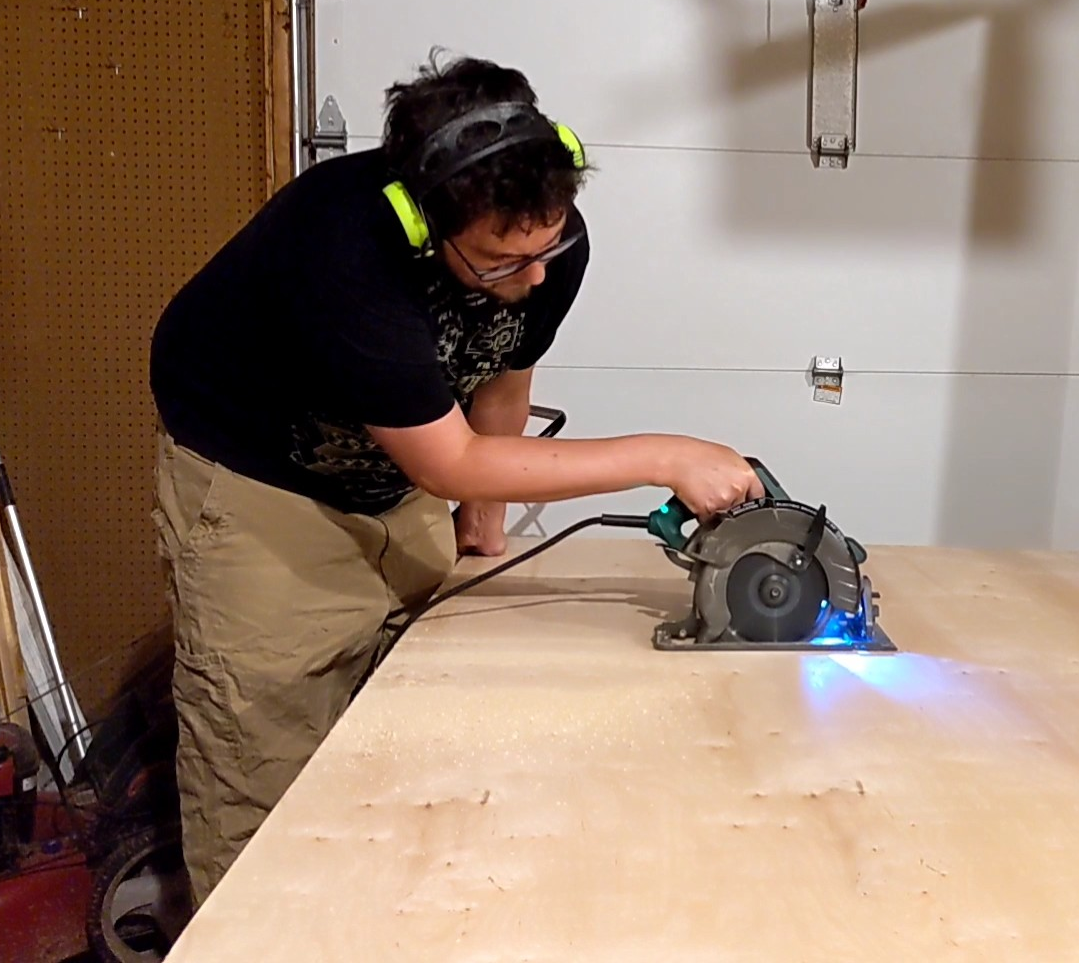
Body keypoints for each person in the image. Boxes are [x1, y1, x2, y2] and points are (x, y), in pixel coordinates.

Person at [147, 54, 762, 904]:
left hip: (394, 482)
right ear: (418, 223)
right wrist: (667, 455)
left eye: (549, 247)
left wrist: (486, 520)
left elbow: (505, 372)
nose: (537, 275)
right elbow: (450, 458)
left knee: (413, 726)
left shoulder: (543, 239)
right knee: (265, 764)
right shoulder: (341, 249)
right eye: (501, 263)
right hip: (266, 489)